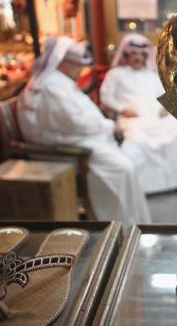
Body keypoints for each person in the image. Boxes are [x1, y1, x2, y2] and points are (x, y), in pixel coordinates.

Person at [18, 36, 150, 230]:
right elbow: (75, 123)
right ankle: (119, 227)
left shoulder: (57, 81)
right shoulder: (52, 86)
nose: (80, 69)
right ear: (62, 62)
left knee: (136, 155)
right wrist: (108, 126)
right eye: (76, 64)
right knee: (123, 168)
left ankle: (135, 223)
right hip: (65, 148)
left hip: (76, 138)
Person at [100, 33, 177, 194]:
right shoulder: (115, 74)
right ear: (126, 55)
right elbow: (106, 97)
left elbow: (164, 96)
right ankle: (147, 187)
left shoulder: (152, 76)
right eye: (133, 53)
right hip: (132, 119)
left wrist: (166, 109)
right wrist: (121, 109)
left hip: (156, 118)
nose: (137, 57)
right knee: (138, 138)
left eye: (141, 54)